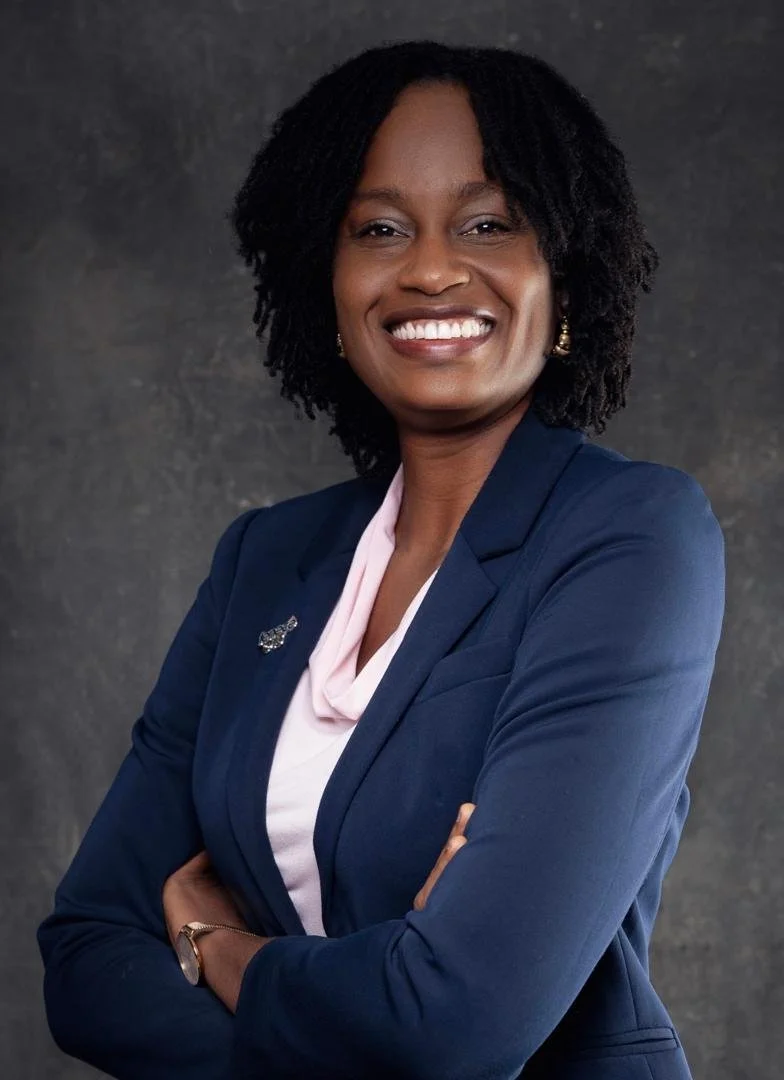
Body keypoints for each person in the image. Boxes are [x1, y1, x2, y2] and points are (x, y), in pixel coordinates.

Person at [37, 40, 725, 1080]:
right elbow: (88, 961)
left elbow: (460, 1020)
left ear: (565, 273)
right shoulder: (264, 561)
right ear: (328, 282)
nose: (432, 268)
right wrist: (384, 997)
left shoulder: (629, 536)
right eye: (380, 229)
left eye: (489, 223)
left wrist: (215, 946)